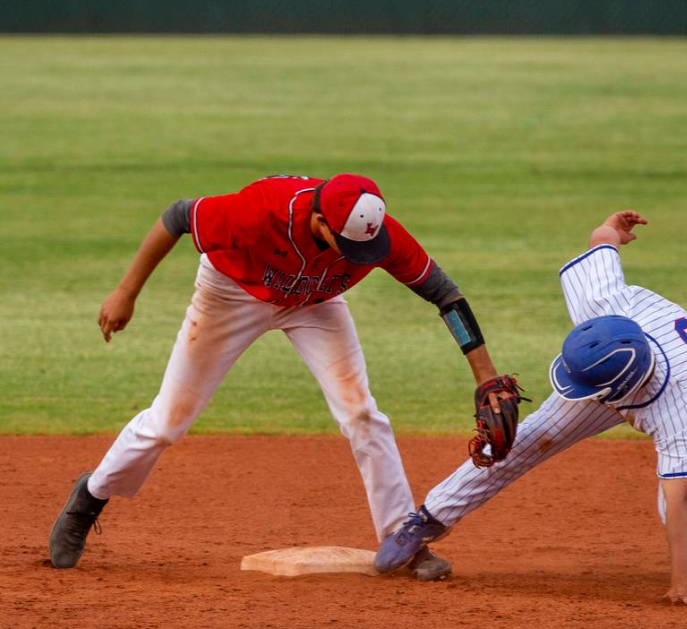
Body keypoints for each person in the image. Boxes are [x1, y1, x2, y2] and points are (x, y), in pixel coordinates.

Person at [48, 173, 515, 581]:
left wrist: (485, 375)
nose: (362, 256)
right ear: (320, 223)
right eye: (350, 247)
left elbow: (446, 296)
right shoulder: (258, 211)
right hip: (231, 294)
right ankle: (90, 496)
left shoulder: (376, 232)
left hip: (315, 304)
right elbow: (176, 217)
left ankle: (402, 538)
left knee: (361, 412)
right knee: (168, 421)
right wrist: (126, 292)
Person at [373, 210, 687, 607]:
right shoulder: (598, 305)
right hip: (624, 360)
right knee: (530, 436)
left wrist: (683, 584)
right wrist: (615, 227)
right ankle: (429, 519)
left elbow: (678, 498)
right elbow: (602, 241)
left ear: (616, 391)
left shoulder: (681, 407)